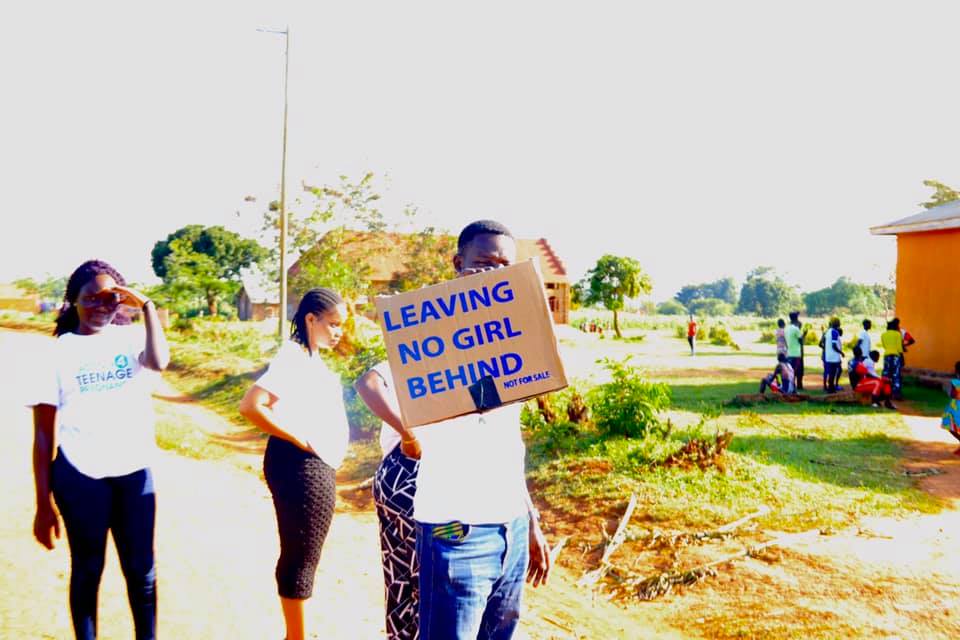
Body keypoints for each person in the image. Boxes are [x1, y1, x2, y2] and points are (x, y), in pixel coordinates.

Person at [411, 220, 550, 640]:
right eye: (483, 264)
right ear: (458, 263)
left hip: (509, 526)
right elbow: (424, 411)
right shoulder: (423, 333)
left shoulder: (512, 341)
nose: (493, 274)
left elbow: (507, 447)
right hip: (455, 532)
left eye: (503, 266)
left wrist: (530, 523)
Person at [29, 259, 169, 640]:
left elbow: (159, 361)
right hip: (80, 476)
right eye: (90, 299)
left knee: (142, 572)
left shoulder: (132, 340)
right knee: (88, 571)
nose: (101, 307)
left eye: (110, 299)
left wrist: (147, 307)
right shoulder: (57, 354)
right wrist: (43, 504)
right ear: (72, 301)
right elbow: (43, 436)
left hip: (134, 473)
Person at [239, 288, 349, 640]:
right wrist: (300, 439)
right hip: (299, 465)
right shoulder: (294, 358)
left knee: (303, 553)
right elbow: (252, 406)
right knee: (301, 554)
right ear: (311, 319)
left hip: (309, 464)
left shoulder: (309, 357)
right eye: (332, 324)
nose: (338, 332)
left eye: (342, 326)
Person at [355, 363, 422, 640]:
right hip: (412, 476)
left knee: (401, 581)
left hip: (394, 477)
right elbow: (367, 383)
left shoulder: (418, 346)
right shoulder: (426, 349)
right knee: (427, 583)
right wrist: (409, 433)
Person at [881, 318, 906, 400]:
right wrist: (902, 358)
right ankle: (896, 394)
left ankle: (884, 392)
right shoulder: (897, 334)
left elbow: (884, 346)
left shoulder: (883, 335)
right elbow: (899, 348)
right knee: (896, 375)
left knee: (886, 374)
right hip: (896, 356)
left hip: (887, 356)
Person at [940, 361, 960, 456]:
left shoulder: (955, 382)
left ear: (956, 371)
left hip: (955, 407)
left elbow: (952, 395)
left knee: (951, 426)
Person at [821, 317, 844, 393]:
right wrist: (841, 352)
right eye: (838, 322)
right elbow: (834, 345)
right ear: (837, 324)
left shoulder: (828, 331)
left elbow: (823, 343)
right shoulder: (835, 332)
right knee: (833, 373)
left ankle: (831, 388)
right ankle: (831, 388)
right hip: (834, 356)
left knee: (831, 372)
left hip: (828, 356)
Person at [785, 311, 807, 391]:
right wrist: (804, 334)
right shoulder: (796, 329)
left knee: (791, 370)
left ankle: (792, 386)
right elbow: (801, 341)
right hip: (797, 353)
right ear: (796, 319)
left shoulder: (787, 328)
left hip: (789, 353)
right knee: (798, 370)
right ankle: (797, 387)